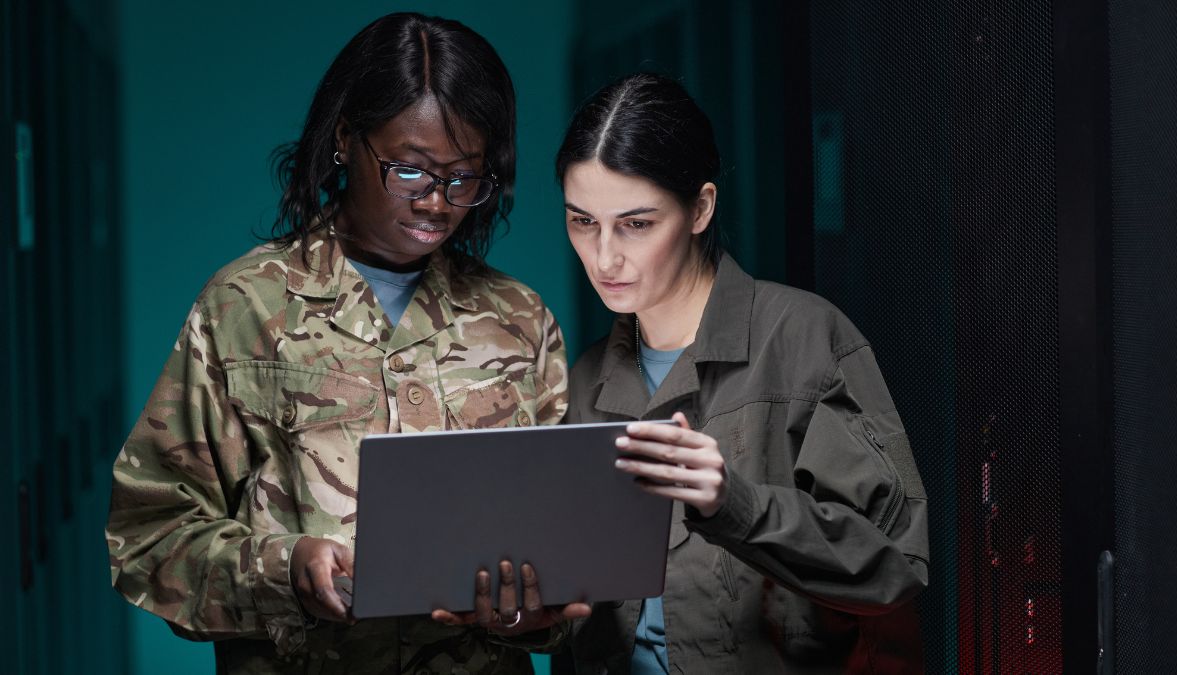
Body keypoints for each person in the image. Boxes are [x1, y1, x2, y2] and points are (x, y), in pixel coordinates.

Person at [106, 13, 576, 674]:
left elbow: (569, 554)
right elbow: (148, 535)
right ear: (344, 140)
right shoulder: (246, 307)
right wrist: (288, 569)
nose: (438, 203)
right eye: (410, 171)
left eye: (463, 177)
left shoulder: (520, 319)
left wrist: (531, 613)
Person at [557, 73, 929, 673]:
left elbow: (895, 566)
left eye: (637, 224)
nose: (605, 257)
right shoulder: (586, 380)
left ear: (700, 207)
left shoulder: (804, 337)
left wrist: (736, 501)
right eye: (582, 222)